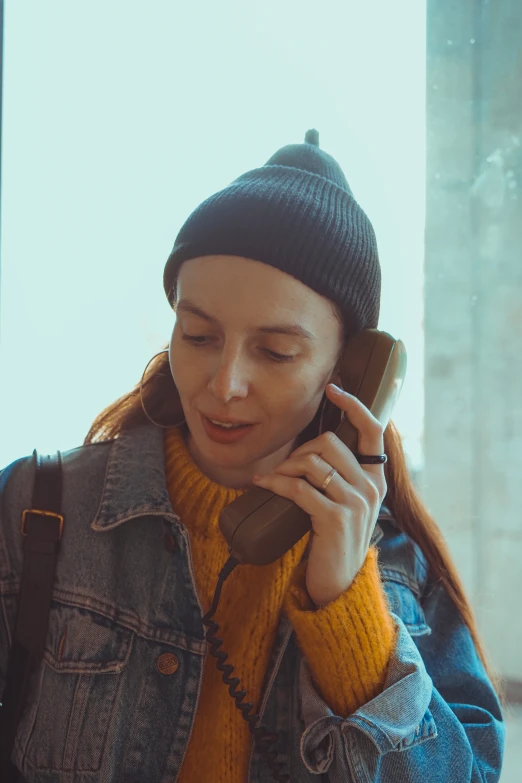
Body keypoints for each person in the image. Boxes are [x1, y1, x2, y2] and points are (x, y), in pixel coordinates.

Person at [0, 130, 504, 783]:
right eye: (199, 334)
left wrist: (347, 612)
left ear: (349, 371)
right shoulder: (37, 510)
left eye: (275, 351)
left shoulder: (401, 576)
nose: (224, 382)